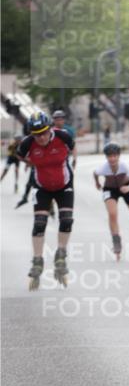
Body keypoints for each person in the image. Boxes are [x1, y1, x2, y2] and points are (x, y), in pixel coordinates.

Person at [17, 112, 75, 289]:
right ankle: (37, 260)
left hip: (64, 184)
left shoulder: (63, 136)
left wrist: (71, 160)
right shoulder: (28, 143)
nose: (41, 137)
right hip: (42, 187)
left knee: (66, 220)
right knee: (39, 223)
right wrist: (31, 162)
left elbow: (72, 147)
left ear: (50, 128)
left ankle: (61, 254)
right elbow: (19, 155)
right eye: (37, 135)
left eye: (43, 133)